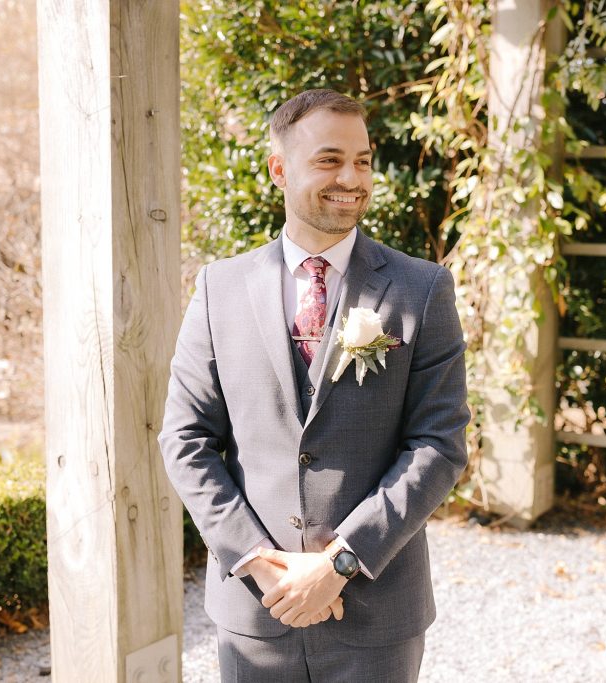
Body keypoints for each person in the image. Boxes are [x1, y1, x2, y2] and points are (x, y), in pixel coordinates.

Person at [158, 89, 469, 681]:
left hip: (376, 614)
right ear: (279, 168)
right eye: (329, 159)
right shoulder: (219, 288)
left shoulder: (422, 289)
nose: (351, 178)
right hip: (258, 609)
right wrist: (256, 560)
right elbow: (185, 437)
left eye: (364, 160)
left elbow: (440, 444)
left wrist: (341, 561)